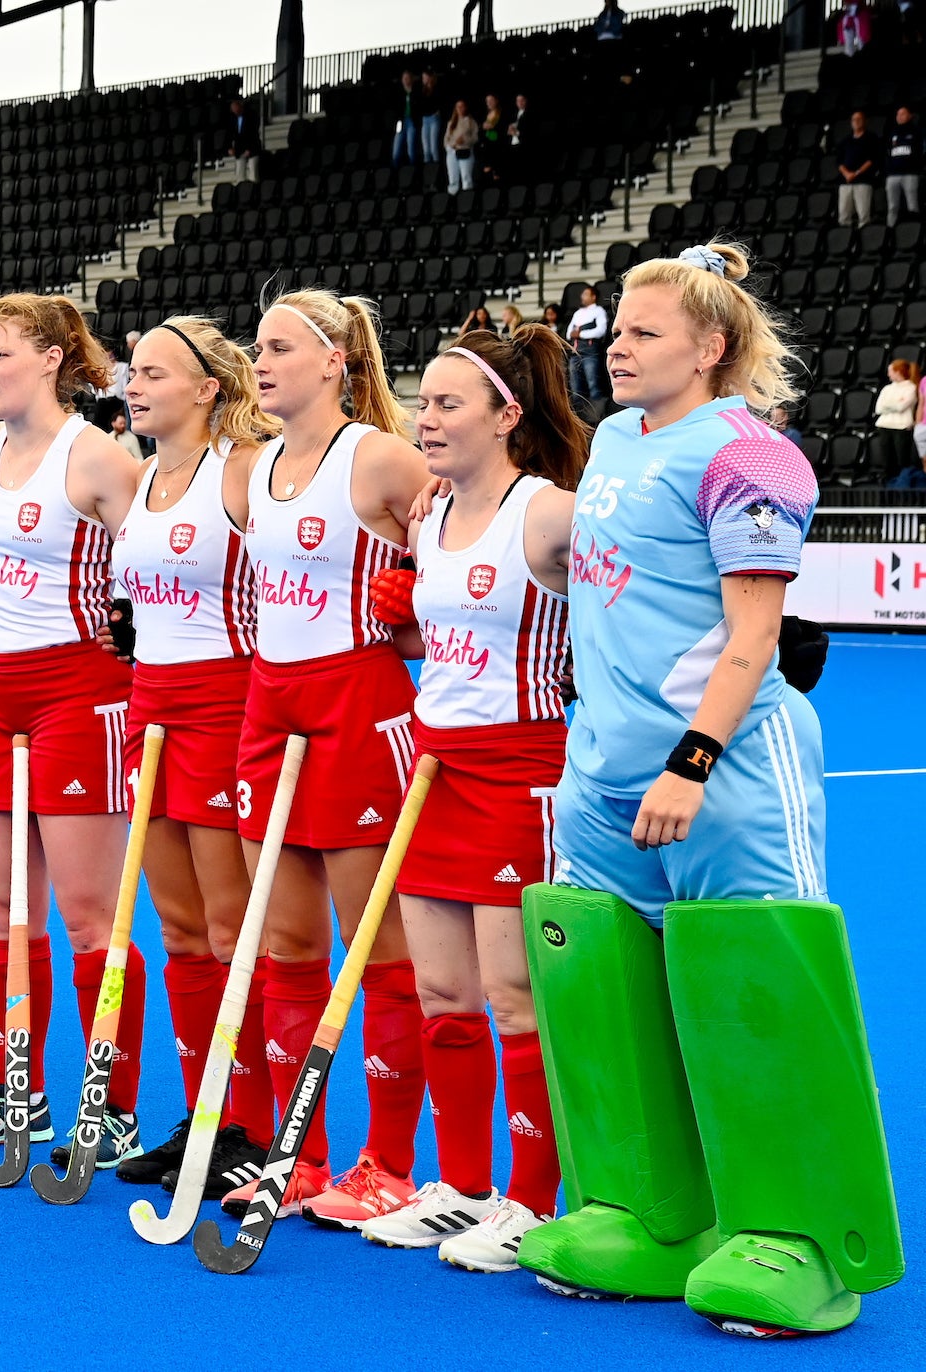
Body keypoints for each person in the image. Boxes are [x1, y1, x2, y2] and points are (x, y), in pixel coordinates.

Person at [524, 242, 900, 1336]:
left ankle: (801, 1239)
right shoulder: (612, 444)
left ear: (710, 344)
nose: (615, 349)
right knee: (605, 981)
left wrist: (692, 763)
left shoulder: (750, 454)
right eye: (613, 332)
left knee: (755, 981)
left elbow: (756, 633)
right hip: (599, 772)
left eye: (642, 334)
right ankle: (650, 1213)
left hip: (722, 770)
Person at [353, 325, 582, 1271]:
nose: (426, 419)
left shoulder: (549, 513)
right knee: (442, 991)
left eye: (450, 404)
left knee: (514, 997)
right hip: (432, 767)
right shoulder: (430, 515)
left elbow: (644, 589)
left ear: (507, 416)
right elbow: (438, 647)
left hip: (519, 769)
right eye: (423, 402)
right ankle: (457, 1188)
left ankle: (531, 1201)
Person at [233, 288, 433, 1223]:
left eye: (278, 347)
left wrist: (416, 606)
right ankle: (298, 1155)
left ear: (335, 360)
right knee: (285, 944)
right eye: (256, 348)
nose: (260, 362)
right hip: (268, 708)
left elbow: (478, 558)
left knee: (377, 950)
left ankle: (388, 1160)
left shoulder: (384, 459)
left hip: (358, 705)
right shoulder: (253, 467)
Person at [0, 293, 143, 1149]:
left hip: (74, 689)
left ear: (52, 358)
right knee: (3, 909)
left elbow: (160, 549)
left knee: (91, 915)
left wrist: (129, 616)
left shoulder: (94, 456)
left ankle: (114, 1107)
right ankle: (15, 1087)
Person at [101, 317, 279, 1196]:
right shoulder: (138, 477)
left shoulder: (243, 470)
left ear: (208, 389)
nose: (134, 386)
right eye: (132, 373)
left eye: (155, 374)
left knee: (230, 928)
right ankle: (208, 1113)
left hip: (224, 706)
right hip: (151, 709)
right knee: (179, 932)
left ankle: (257, 1123)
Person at [837, 110, 881, 228]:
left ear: (864, 121)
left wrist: (856, 173)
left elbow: (872, 159)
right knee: (843, 216)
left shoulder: (871, 138)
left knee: (863, 216)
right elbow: (839, 161)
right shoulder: (846, 140)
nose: (856, 122)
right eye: (854, 119)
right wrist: (846, 174)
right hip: (846, 182)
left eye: (859, 119)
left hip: (863, 181)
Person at [566, 286, 609, 404]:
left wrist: (581, 334)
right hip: (575, 352)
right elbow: (569, 334)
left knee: (593, 383)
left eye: (585, 294)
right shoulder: (577, 313)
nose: (582, 297)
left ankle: (597, 413)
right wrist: (577, 334)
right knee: (575, 387)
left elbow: (601, 331)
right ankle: (580, 415)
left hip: (590, 352)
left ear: (593, 297)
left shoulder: (599, 311)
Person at [885, 105, 919, 227]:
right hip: (892, 176)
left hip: (910, 174)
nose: (899, 116)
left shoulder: (916, 132)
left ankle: (914, 231)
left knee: (912, 205)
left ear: (909, 116)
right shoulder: (892, 133)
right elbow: (888, 152)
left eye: (903, 114)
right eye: (898, 114)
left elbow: (919, 152)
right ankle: (890, 233)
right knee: (892, 207)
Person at [443, 100, 480, 192]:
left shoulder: (471, 122)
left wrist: (464, 141)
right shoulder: (451, 122)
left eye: (462, 106)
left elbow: (475, 137)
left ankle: (467, 197)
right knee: (452, 177)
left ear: (465, 107)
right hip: (452, 152)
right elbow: (446, 139)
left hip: (465, 151)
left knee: (466, 176)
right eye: (458, 107)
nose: (460, 109)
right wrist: (452, 145)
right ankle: (452, 196)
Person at [876, 358, 919, 436]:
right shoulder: (887, 388)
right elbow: (878, 409)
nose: (888, 374)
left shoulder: (911, 388)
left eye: (890, 372)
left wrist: (888, 404)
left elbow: (901, 407)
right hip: (884, 424)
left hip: (902, 426)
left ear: (898, 372)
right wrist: (896, 402)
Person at [391, 69, 423, 168]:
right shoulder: (399, 93)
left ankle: (413, 169)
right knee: (396, 149)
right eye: (404, 78)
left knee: (411, 148)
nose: (406, 80)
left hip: (412, 121)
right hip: (401, 122)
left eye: (408, 78)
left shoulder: (416, 92)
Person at [225, 96, 261, 178]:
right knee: (240, 173)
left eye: (236, 109)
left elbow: (253, 133)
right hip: (239, 149)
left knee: (253, 174)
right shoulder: (232, 119)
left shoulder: (251, 115)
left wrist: (249, 149)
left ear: (240, 107)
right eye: (233, 110)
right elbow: (230, 134)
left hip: (253, 148)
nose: (235, 111)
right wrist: (229, 147)